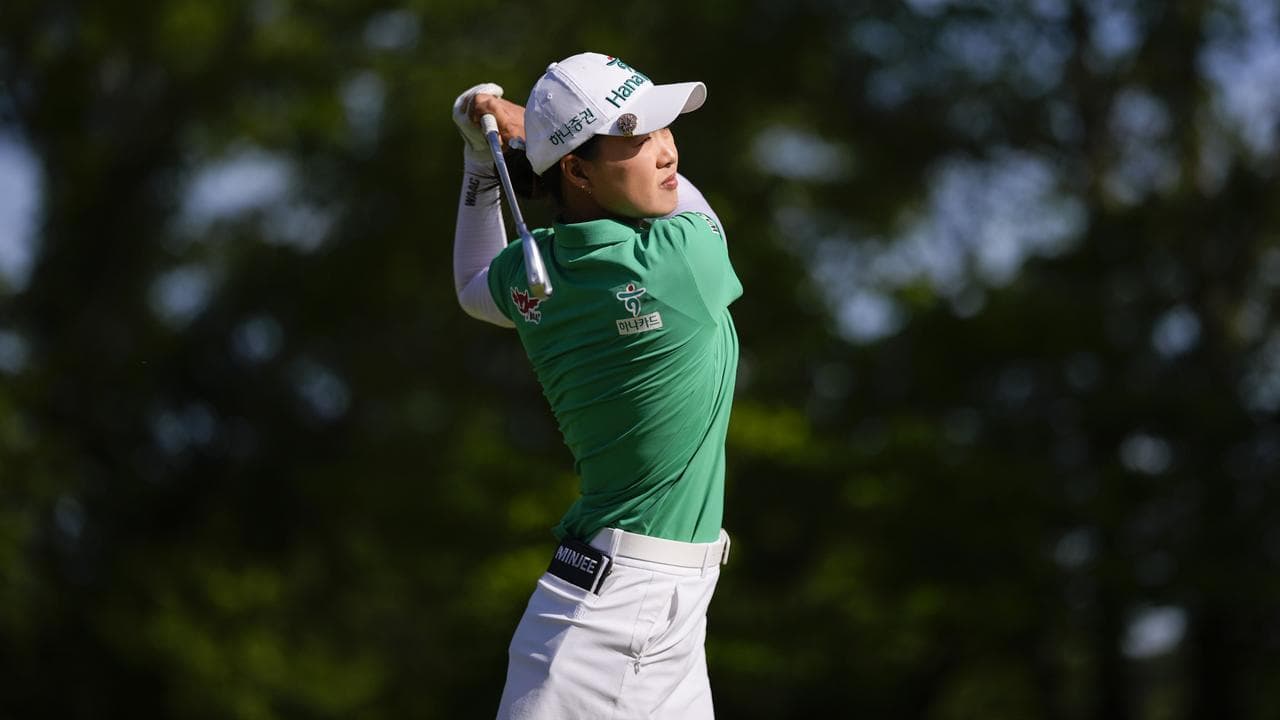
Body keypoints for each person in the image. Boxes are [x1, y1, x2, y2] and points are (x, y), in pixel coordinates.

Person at [451, 52, 742, 719]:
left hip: (649, 613)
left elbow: (472, 287)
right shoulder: (680, 258)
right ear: (577, 172)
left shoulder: (538, 271)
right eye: (635, 137)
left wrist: (480, 164)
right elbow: (695, 209)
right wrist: (517, 134)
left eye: (664, 127)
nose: (667, 152)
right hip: (613, 624)